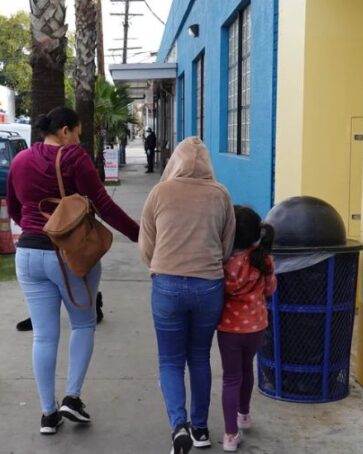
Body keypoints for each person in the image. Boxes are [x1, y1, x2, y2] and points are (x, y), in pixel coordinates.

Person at [7, 106, 140, 435]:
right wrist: (141, 235)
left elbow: (12, 206)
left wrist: (33, 226)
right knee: (83, 323)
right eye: (77, 133)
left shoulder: (21, 160)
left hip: (27, 253)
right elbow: (104, 206)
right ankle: (72, 397)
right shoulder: (74, 158)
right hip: (67, 256)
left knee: (44, 335)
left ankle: (48, 413)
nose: (79, 140)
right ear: (64, 131)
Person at [139, 137, 235, 454]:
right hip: (208, 286)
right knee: (199, 357)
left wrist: (161, 264)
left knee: (170, 361)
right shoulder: (221, 195)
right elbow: (226, 246)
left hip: (166, 284)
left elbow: (146, 245)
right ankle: (201, 428)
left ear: (175, 162)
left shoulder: (159, 193)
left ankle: (178, 426)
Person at [217, 206, 276, 452]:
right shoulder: (263, 259)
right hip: (256, 327)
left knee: (231, 378)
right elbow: (270, 289)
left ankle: (231, 435)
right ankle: (244, 415)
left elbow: (218, 292)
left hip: (229, 330)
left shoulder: (224, 262)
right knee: (247, 369)